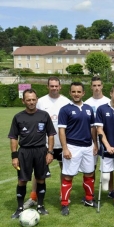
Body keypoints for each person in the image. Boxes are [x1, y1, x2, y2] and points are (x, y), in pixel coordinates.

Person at [24, 77, 70, 209]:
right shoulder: (41, 101)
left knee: (65, 170)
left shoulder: (66, 102)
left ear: (60, 87)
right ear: (47, 87)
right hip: (43, 144)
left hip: (62, 143)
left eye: (56, 86)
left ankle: (63, 194)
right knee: (38, 171)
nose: (54, 88)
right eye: (51, 86)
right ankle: (33, 197)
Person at [9, 89, 56, 218]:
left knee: (41, 178)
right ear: (23, 101)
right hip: (24, 152)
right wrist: (14, 156)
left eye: (33, 99)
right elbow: (13, 137)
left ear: (37, 100)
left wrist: (50, 152)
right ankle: (19, 208)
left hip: (41, 151)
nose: (31, 102)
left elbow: (51, 134)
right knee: (22, 181)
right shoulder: (18, 117)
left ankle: (40, 206)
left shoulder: (44, 115)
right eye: (28, 100)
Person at [58, 82, 98, 216]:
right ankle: (64, 203)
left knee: (89, 174)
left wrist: (95, 144)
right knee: (68, 176)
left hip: (88, 146)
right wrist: (65, 148)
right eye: (73, 91)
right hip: (72, 147)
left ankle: (89, 199)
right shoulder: (65, 109)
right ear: (70, 93)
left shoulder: (88, 108)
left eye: (78, 92)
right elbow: (61, 130)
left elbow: (93, 128)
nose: (76, 94)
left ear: (83, 93)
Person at [84, 76, 113, 199]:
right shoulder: (87, 103)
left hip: (107, 139)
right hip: (92, 140)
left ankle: (111, 190)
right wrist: (94, 142)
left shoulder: (108, 102)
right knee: (91, 167)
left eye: (98, 85)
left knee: (110, 166)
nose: (96, 88)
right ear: (91, 87)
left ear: (102, 86)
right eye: (94, 85)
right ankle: (91, 192)